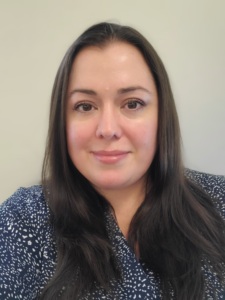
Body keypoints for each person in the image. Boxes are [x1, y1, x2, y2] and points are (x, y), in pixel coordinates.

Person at [0, 22, 225, 300]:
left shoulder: (220, 202)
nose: (107, 129)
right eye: (85, 106)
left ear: (161, 116)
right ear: (62, 121)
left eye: (132, 104)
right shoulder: (21, 220)